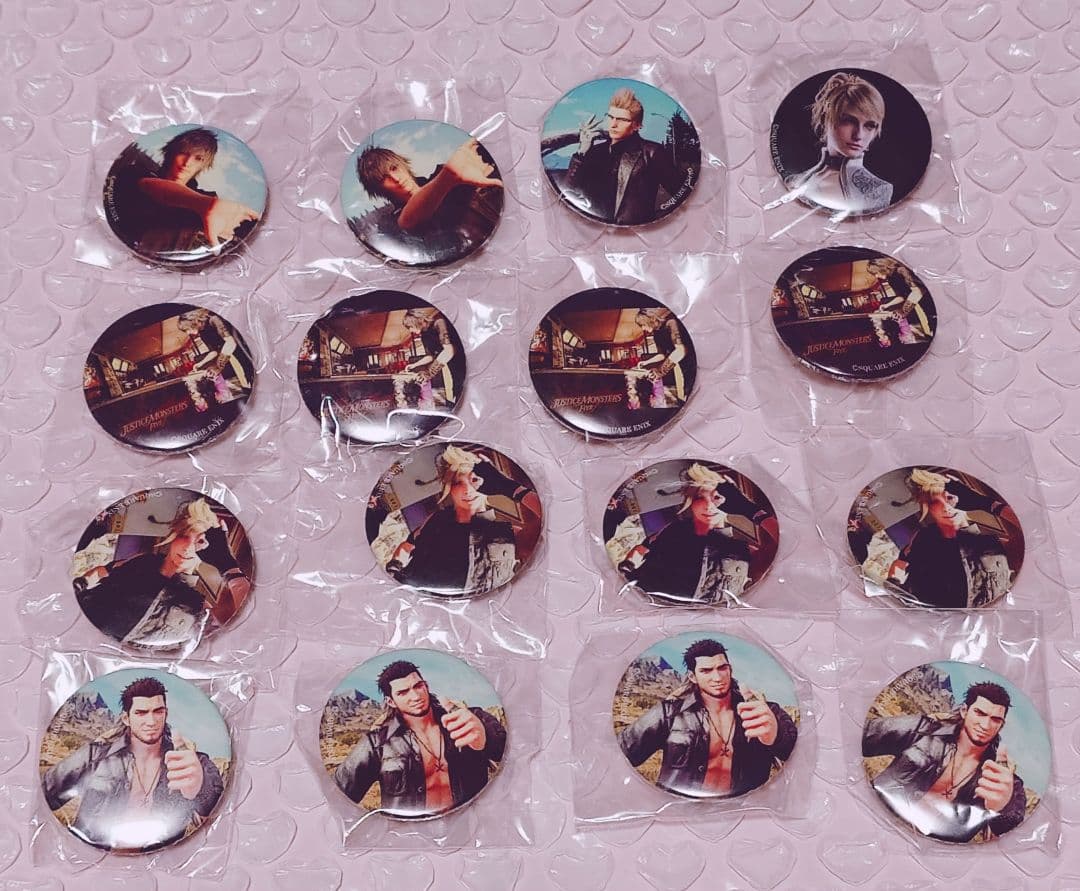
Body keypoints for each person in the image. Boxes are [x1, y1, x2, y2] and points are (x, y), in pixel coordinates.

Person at [41, 676, 224, 850]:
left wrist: (200, 787)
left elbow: (216, 812)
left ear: (166, 713)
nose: (151, 721)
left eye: (158, 711)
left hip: (164, 859)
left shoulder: (191, 762)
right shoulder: (96, 755)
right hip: (89, 854)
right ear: (126, 718)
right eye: (141, 713)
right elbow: (43, 792)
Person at [619, 638, 797, 797]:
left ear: (730, 669)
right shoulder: (669, 713)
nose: (717, 677)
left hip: (746, 812)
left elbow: (798, 751)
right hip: (676, 810)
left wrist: (776, 735)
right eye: (706, 670)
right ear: (693, 677)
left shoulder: (763, 711)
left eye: (722, 668)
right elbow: (620, 754)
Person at [333, 660, 506, 816]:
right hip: (408, 834)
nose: (415, 696)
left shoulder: (469, 719)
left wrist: (485, 738)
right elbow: (336, 796)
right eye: (403, 692)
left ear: (426, 686)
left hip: (471, 824)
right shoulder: (377, 744)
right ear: (391, 701)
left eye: (418, 686)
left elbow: (509, 751)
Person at [74, 497, 251, 647]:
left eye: (200, 541)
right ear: (174, 536)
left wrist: (228, 567)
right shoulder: (143, 561)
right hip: (76, 615)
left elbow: (246, 629)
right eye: (185, 536)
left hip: (95, 646)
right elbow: (102, 571)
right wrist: (82, 583)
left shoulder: (194, 603)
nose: (188, 547)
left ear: (209, 550)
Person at [863, 681, 1027, 843]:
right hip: (873, 820)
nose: (985, 725)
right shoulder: (924, 730)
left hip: (936, 852)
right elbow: (863, 736)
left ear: (1001, 725)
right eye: (979, 713)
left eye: (995, 719)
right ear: (964, 711)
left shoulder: (1001, 779)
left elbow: (1012, 826)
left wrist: (1002, 807)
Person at [371, 445, 538, 595]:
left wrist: (509, 487)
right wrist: (394, 569)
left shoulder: (506, 534)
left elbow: (549, 525)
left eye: (474, 480)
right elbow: (406, 547)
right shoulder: (436, 519)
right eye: (458, 482)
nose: (467, 489)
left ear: (489, 484)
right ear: (449, 487)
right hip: (404, 598)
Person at [608, 463, 773, 603]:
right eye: (700, 498)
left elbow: (785, 553)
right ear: (691, 502)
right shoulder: (674, 530)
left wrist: (750, 510)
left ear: (732, 503)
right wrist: (626, 570)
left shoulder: (742, 550)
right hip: (637, 604)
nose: (708, 505)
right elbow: (641, 550)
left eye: (717, 498)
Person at [109, 127, 260, 260]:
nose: (187, 163)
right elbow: (149, 185)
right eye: (183, 153)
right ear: (171, 152)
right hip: (118, 252)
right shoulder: (135, 172)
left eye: (198, 158)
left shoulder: (208, 197)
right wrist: (205, 204)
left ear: (204, 165)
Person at [350, 140, 503, 263]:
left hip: (498, 245)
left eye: (394, 168)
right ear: (378, 190)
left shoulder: (445, 174)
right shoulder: (387, 225)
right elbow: (406, 221)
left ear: (403, 165)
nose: (395, 178)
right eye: (384, 179)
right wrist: (447, 178)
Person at [885, 468, 1013, 609]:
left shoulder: (991, 544)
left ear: (965, 501)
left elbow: (1026, 533)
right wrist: (893, 588)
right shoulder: (924, 538)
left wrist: (987, 504)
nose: (945, 507)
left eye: (950, 498)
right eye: (935, 503)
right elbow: (899, 565)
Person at [565, 87, 691, 225]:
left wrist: (656, 220)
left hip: (637, 230)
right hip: (594, 227)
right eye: (610, 117)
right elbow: (569, 191)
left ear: (637, 125)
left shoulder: (651, 152)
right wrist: (582, 151)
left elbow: (681, 193)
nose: (613, 124)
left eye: (622, 119)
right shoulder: (594, 151)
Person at [784, 72, 893, 215]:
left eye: (870, 126)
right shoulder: (794, 181)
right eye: (848, 121)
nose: (859, 135)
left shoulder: (879, 190)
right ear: (825, 119)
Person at [175, 308, 251, 412]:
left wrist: (218, 366)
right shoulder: (202, 333)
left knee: (249, 374)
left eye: (186, 329)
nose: (188, 333)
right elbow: (214, 351)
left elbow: (230, 342)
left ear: (193, 321)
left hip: (245, 351)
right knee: (247, 377)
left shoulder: (213, 319)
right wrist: (201, 363)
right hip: (235, 356)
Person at [625, 307, 688, 410]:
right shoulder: (656, 335)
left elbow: (681, 351)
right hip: (683, 367)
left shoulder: (671, 323)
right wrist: (646, 362)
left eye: (642, 325)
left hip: (692, 365)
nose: (643, 329)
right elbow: (662, 355)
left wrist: (660, 371)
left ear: (649, 319)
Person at [397, 308, 459, 410]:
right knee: (456, 391)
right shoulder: (424, 335)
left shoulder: (439, 323)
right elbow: (430, 356)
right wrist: (415, 365)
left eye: (410, 327)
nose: (410, 330)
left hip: (461, 362)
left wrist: (429, 373)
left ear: (416, 321)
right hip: (451, 365)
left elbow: (449, 351)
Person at [865, 256, 933, 349]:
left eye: (876, 273)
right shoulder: (890, 279)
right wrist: (886, 305)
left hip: (930, 300)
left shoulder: (901, 270)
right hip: (922, 305)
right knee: (930, 324)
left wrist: (903, 312)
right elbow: (901, 296)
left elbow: (918, 291)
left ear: (882, 267)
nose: (876, 276)